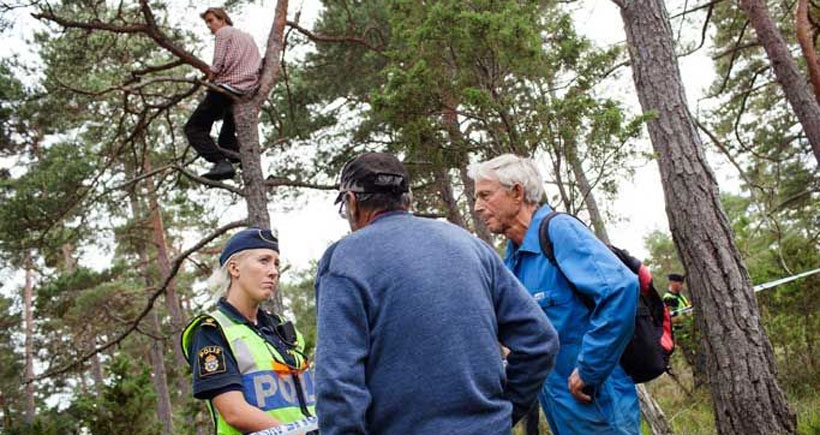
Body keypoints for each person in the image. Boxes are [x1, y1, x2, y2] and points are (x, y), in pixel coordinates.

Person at [314, 152, 559, 435]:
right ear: (408, 199)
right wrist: (503, 412)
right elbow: (541, 340)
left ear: (352, 202)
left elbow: (338, 383)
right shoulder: (469, 244)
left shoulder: (345, 259)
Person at [468, 154, 640, 435]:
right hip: (561, 410)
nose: (477, 207)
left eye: (485, 195)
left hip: (598, 405)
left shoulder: (559, 230)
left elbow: (620, 290)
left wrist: (589, 370)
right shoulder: (512, 261)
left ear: (517, 193)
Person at [181, 227, 316, 435]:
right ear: (234, 269)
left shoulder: (282, 328)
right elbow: (234, 412)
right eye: (264, 261)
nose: (274, 271)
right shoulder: (212, 330)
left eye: (276, 263)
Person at [185, 7, 261, 181]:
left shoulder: (223, 33)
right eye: (207, 23)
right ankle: (245, 161)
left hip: (226, 88)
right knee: (226, 139)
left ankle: (220, 163)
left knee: (193, 128)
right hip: (246, 91)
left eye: (211, 21)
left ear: (222, 19)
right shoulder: (247, 37)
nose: (209, 26)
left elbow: (218, 63)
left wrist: (209, 81)